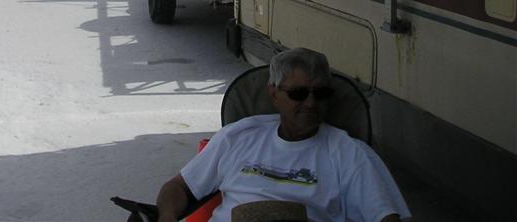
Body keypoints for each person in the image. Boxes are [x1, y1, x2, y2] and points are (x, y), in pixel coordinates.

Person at [154, 47, 410, 222]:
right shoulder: (238, 137)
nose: (311, 103)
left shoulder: (348, 152)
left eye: (320, 94)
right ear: (273, 93)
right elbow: (178, 187)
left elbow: (386, 216)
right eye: (298, 93)